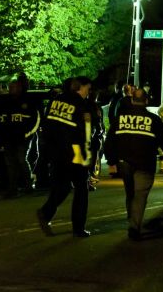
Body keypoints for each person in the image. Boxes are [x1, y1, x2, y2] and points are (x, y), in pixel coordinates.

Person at [105, 88, 163, 241]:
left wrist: (111, 161)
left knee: (131, 193)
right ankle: (134, 227)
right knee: (140, 195)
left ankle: (131, 218)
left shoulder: (120, 119)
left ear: (132, 100)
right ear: (146, 101)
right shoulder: (153, 119)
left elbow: (110, 141)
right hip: (145, 163)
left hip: (124, 162)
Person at [37, 77, 93, 238]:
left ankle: (46, 213)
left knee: (62, 186)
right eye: (87, 89)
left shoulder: (55, 101)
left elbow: (47, 125)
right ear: (79, 88)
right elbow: (86, 131)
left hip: (56, 152)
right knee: (81, 189)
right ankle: (78, 227)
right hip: (75, 153)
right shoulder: (82, 105)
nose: (88, 93)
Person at [0, 79, 40, 198]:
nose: (12, 89)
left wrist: (27, 134)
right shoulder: (5, 102)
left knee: (21, 160)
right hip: (8, 138)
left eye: (14, 87)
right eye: (11, 87)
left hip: (22, 138)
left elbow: (36, 119)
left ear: (20, 88)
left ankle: (28, 185)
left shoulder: (28, 101)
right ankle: (13, 188)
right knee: (11, 164)